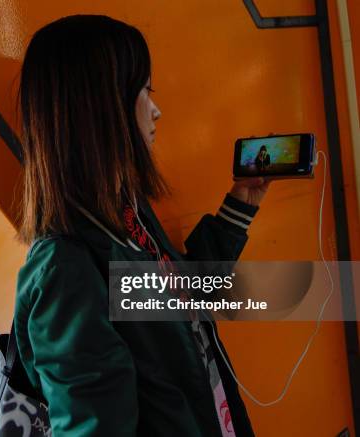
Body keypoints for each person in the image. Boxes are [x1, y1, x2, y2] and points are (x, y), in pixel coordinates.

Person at [14, 15, 270, 436]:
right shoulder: (66, 269)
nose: (157, 108)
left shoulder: (125, 214)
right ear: (101, 108)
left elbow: (186, 300)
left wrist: (240, 204)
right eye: (144, 91)